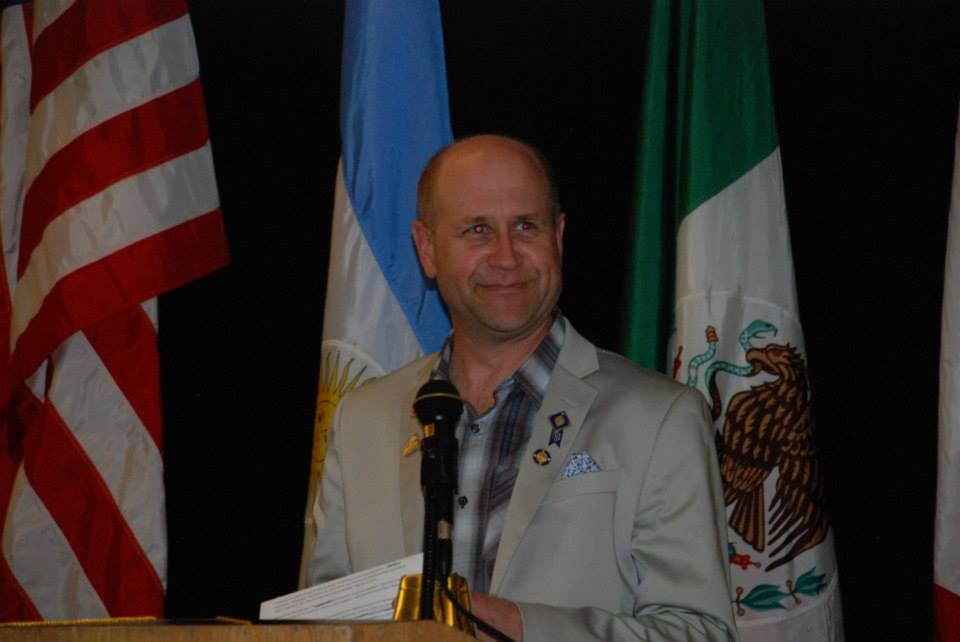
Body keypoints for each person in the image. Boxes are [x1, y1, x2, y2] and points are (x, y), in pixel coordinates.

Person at [302, 135, 738, 642]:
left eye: (526, 226)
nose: (506, 256)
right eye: (477, 229)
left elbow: (701, 633)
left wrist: (520, 627)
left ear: (559, 236)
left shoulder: (660, 417)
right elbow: (316, 629)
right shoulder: (362, 420)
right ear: (427, 249)